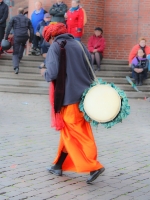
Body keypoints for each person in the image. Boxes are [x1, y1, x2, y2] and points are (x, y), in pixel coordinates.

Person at [41, 23, 105, 184]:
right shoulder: (79, 44)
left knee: (78, 135)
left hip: (69, 97)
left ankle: (93, 166)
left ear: (52, 37)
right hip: (86, 98)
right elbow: (90, 67)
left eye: (48, 39)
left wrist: (44, 72)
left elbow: (53, 73)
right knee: (71, 132)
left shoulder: (56, 46)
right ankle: (58, 165)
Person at [5, 8, 34, 74]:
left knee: (15, 52)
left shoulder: (14, 18)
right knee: (22, 45)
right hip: (25, 36)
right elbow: (32, 30)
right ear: (23, 12)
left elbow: (9, 28)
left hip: (17, 36)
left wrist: (6, 37)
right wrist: (31, 40)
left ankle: (16, 67)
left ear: (18, 12)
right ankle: (19, 57)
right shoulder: (27, 19)